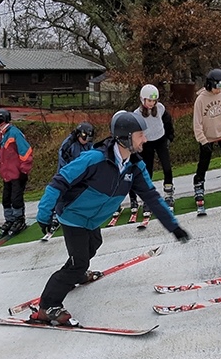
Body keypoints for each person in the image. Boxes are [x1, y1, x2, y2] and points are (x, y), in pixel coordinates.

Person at [32, 110, 191, 326]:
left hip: (93, 219)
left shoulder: (134, 166)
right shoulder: (94, 158)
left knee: (94, 244)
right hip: (73, 215)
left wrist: (173, 226)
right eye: (140, 135)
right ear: (125, 137)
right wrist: (44, 213)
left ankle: (77, 274)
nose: (144, 139)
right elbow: (60, 181)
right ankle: (47, 306)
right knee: (78, 262)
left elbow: (151, 197)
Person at [0, 109, 33, 236]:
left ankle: (19, 219)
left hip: (17, 174)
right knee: (6, 199)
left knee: (16, 199)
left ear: (1, 120)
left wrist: (24, 171)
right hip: (6, 174)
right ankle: (10, 220)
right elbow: (5, 158)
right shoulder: (1, 135)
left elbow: (26, 153)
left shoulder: (14, 133)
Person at [192, 68, 221, 208]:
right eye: (218, 86)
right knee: (204, 161)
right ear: (210, 84)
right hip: (207, 136)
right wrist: (202, 140)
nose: (220, 89)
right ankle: (199, 183)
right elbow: (197, 123)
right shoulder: (200, 100)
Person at [128, 84, 176, 211]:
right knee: (147, 171)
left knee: (167, 168)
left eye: (154, 100)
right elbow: (135, 132)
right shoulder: (137, 114)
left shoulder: (160, 108)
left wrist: (169, 136)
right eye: (149, 100)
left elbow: (167, 121)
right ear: (142, 99)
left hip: (160, 140)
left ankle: (169, 194)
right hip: (147, 144)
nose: (152, 103)